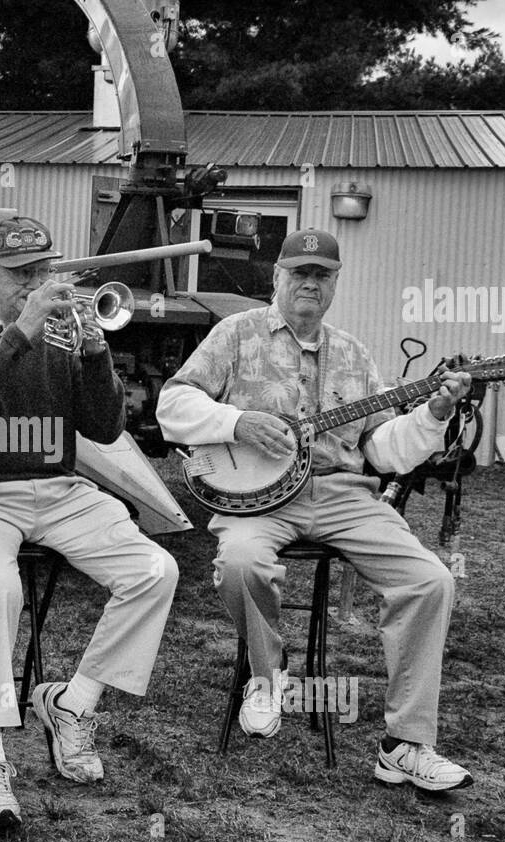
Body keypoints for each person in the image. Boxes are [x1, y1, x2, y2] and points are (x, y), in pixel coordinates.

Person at [157, 228, 474, 792]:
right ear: (277, 277)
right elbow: (173, 403)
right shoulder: (236, 333)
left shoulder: (353, 352)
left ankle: (405, 744)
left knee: (430, 580)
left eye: (321, 275)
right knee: (241, 564)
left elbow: (382, 450)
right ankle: (268, 674)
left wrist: (433, 415)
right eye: (298, 272)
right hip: (258, 502)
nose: (309, 283)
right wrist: (236, 422)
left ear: (334, 284)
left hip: (342, 496)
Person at [0, 216, 178, 828]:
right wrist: (22, 330)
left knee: (154, 570)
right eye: (20, 276)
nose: (35, 285)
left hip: (57, 489)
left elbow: (104, 429)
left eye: (43, 272)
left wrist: (94, 353)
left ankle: (71, 702)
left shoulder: (64, 337)